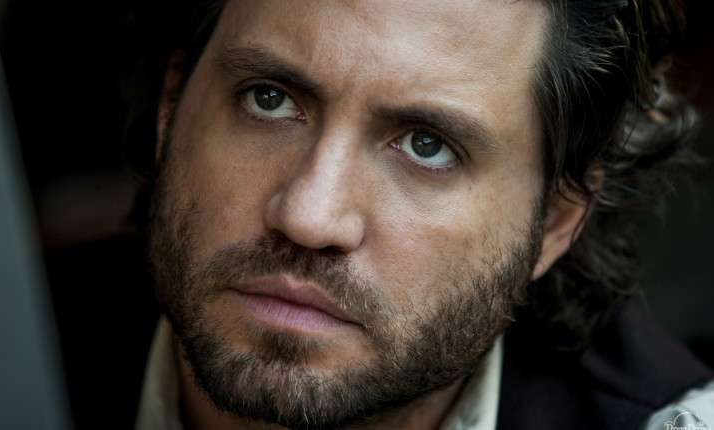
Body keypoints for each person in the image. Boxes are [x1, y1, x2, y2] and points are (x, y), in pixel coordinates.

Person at [44, 0, 714, 429]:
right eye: (268, 99)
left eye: (427, 146)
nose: (309, 216)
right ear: (171, 109)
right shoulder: (21, 347)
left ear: (554, 223)